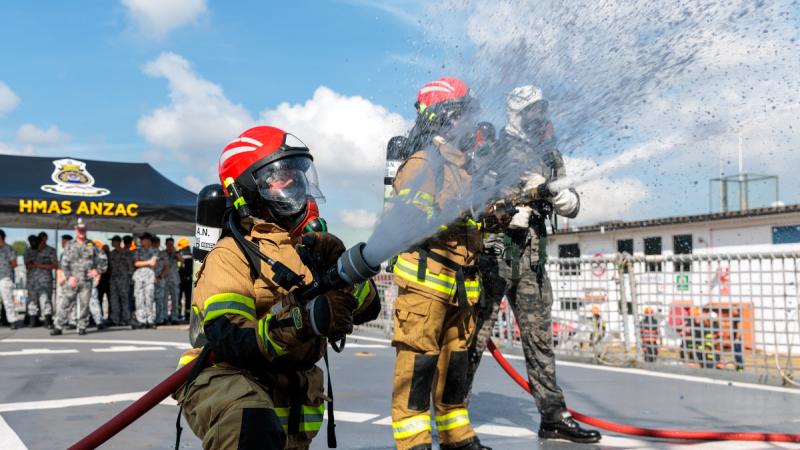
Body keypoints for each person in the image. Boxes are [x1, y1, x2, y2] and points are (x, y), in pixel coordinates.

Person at [175, 125, 380, 449]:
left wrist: (342, 273)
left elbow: (369, 308)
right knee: (250, 423)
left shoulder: (308, 250)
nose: (293, 183)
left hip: (292, 391)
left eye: (297, 174)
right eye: (278, 176)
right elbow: (232, 338)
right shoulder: (230, 254)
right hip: (229, 377)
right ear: (246, 190)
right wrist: (305, 320)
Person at [464, 85, 600, 444]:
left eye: (542, 110)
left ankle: (552, 416)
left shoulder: (549, 153)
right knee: (475, 337)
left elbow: (570, 200)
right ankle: (453, 416)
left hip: (532, 258)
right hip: (495, 254)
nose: (539, 118)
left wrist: (563, 196)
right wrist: (507, 212)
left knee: (540, 340)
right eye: (532, 111)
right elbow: (474, 198)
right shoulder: (493, 147)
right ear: (516, 113)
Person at [389, 78, 492, 450]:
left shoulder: (466, 166)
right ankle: (414, 442)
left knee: (456, 363)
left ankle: (456, 435)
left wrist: (498, 212)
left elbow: (473, 219)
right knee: (418, 366)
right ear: (446, 117)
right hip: (426, 285)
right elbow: (412, 220)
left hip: (461, 286)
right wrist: (461, 211)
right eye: (466, 115)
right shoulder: (422, 163)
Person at [51, 220, 108, 335]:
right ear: (75, 230)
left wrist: (96, 271)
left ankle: (82, 326)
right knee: (65, 303)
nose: (81, 232)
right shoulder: (70, 245)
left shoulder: (92, 245)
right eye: (79, 230)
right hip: (72, 280)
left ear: (86, 231)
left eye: (83, 230)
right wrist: (69, 277)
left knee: (84, 305)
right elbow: (64, 263)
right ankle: (58, 326)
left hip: (86, 281)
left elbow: (103, 259)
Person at [24, 232, 57, 328]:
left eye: (44, 240)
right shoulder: (29, 250)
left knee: (46, 300)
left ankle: (47, 321)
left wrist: (40, 265)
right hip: (32, 280)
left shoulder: (51, 250)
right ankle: (33, 321)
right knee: (32, 300)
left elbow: (54, 265)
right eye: (41, 240)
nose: (42, 242)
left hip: (45, 280)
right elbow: (27, 265)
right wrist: (42, 265)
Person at [132, 233, 158, 329]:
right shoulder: (137, 251)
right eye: (142, 239)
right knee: (139, 299)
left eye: (145, 239)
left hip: (149, 278)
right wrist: (148, 262)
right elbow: (136, 263)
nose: (143, 241)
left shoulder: (154, 251)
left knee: (149, 299)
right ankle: (141, 320)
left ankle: (150, 320)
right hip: (139, 277)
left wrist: (142, 262)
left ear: (148, 241)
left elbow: (153, 263)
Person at [108, 235, 134, 326]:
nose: (112, 243)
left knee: (124, 299)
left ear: (118, 242)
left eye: (113, 241)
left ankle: (125, 319)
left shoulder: (127, 253)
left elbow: (131, 267)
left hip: (124, 279)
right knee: (114, 299)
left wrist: (130, 278)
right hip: (113, 279)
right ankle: (115, 319)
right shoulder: (111, 253)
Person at [0, 228, 22, 329]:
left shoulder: (9, 248)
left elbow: (14, 264)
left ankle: (12, 321)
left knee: (8, 301)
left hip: (5, 278)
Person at [163, 237, 182, 325]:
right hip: (165, 280)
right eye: (169, 244)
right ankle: (165, 317)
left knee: (175, 299)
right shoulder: (163, 253)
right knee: (165, 299)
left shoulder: (176, 253)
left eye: (172, 244)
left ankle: (175, 317)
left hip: (174, 280)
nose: (170, 246)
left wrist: (176, 252)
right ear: (166, 244)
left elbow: (182, 260)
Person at [152, 236, 170, 325]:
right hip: (150, 280)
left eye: (156, 242)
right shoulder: (148, 253)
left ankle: (160, 319)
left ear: (159, 243)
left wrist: (160, 276)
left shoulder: (163, 254)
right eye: (154, 242)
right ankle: (151, 319)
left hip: (160, 280)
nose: (155, 244)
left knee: (160, 301)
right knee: (149, 300)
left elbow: (167, 268)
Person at [177, 237, 193, 321]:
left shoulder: (181, 254)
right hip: (185, 279)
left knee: (181, 297)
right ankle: (186, 315)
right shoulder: (191, 253)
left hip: (183, 279)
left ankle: (181, 314)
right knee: (186, 298)